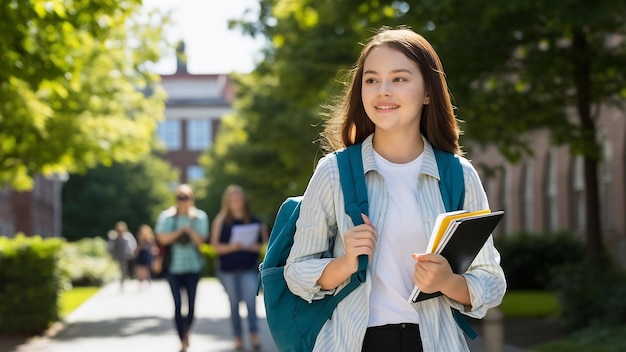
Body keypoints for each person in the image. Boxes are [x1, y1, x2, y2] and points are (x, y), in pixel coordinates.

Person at [284, 26, 507, 352]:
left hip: (435, 343)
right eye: (371, 80)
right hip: (354, 342)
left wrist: (448, 282)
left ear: (428, 92)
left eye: (399, 79)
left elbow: (491, 281)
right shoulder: (334, 172)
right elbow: (297, 272)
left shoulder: (459, 175)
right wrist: (345, 263)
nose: (382, 90)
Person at [211, 185, 268, 351]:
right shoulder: (221, 221)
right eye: (232, 199)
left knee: (251, 301)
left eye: (239, 199)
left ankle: (254, 334)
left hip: (248, 268)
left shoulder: (255, 221)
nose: (236, 202)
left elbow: (265, 245)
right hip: (228, 269)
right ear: (227, 202)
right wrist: (233, 247)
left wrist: (253, 247)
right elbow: (215, 247)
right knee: (234, 303)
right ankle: (238, 338)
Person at [154, 184, 209, 352]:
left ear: (192, 198)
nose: (183, 201)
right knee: (177, 304)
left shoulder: (199, 217)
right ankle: (182, 339)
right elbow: (162, 238)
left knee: (191, 305)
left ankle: (187, 331)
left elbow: (201, 241)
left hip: (193, 267)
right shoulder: (167, 217)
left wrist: (189, 230)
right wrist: (180, 231)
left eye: (186, 197)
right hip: (173, 268)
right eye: (180, 197)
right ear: (175, 199)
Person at [107, 221, 137, 291]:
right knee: (118, 271)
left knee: (124, 270)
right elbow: (110, 247)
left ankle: (122, 283)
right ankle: (119, 282)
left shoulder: (127, 236)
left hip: (125, 256)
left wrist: (131, 251)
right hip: (117, 256)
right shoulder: (113, 237)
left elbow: (132, 245)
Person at [133, 224, 158, 289]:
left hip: (147, 255)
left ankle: (147, 280)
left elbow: (154, 248)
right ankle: (140, 281)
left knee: (146, 269)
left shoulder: (150, 240)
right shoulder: (140, 240)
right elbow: (137, 248)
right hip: (140, 255)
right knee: (139, 269)